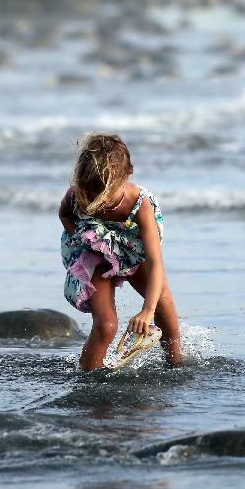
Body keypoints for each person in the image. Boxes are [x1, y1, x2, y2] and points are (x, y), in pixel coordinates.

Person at [59, 132, 183, 370]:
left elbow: (156, 263)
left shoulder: (139, 204)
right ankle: (88, 381)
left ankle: (176, 366)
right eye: (92, 193)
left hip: (132, 251)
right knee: (106, 326)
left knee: (163, 302)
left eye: (106, 193)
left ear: (128, 174)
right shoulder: (78, 193)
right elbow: (64, 214)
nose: (99, 200)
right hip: (95, 252)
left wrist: (147, 311)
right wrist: (81, 239)